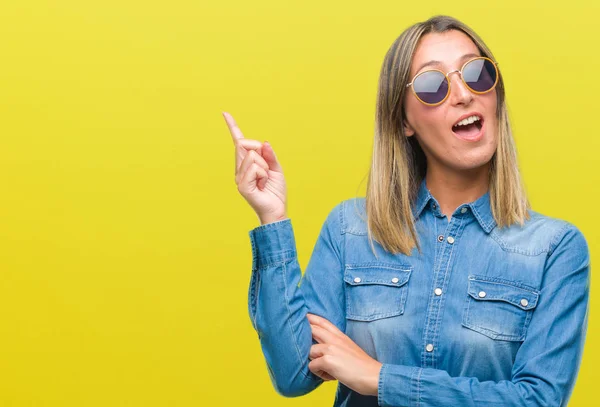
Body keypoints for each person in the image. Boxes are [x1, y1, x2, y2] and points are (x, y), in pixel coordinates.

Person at [222, 15, 590, 407]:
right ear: (403, 121)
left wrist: (379, 377)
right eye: (434, 85)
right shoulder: (351, 230)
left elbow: (537, 401)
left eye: (476, 73)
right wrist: (272, 218)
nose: (464, 94)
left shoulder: (556, 249)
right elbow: (294, 374)